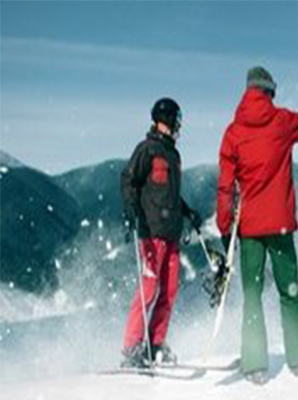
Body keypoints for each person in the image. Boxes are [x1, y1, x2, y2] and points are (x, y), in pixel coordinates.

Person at [217, 66, 298, 384]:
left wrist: (225, 227)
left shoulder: (233, 133)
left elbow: (225, 186)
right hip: (281, 226)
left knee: (253, 295)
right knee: (289, 291)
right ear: (269, 91)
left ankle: (255, 365)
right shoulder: (282, 121)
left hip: (250, 231)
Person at [120, 97, 202, 368]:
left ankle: (154, 344)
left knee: (168, 291)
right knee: (149, 288)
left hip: (171, 233)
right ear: (165, 120)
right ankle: (132, 347)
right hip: (151, 232)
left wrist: (188, 212)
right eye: (176, 120)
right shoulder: (147, 150)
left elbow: (170, 195)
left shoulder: (173, 155)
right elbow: (128, 179)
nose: (179, 126)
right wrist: (131, 208)